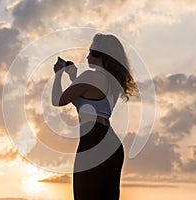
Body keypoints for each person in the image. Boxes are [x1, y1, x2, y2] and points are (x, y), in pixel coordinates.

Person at [52, 33, 137, 200]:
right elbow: (85, 101)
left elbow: (58, 100)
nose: (87, 55)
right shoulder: (112, 81)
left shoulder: (90, 76)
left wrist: (58, 75)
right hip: (111, 143)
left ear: (99, 54)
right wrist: (73, 77)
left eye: (91, 51)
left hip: (93, 140)